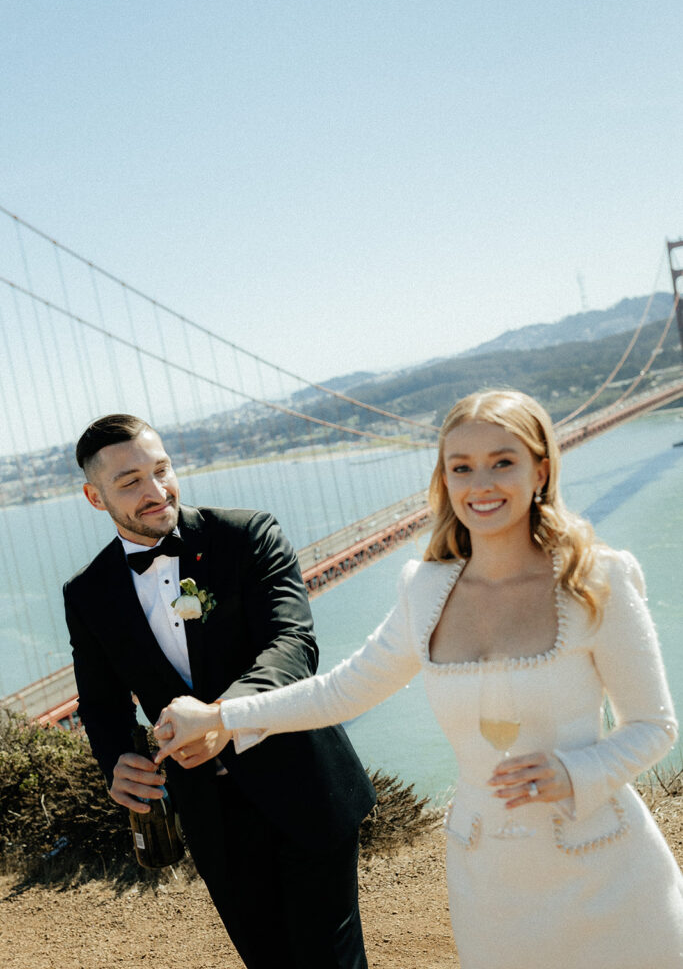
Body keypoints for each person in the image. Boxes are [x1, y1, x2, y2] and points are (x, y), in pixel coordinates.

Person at [155, 389, 683, 969]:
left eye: (502, 462)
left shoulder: (596, 580)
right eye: (462, 467)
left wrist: (575, 770)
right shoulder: (425, 588)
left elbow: (653, 727)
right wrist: (221, 717)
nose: (481, 483)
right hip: (489, 879)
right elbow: (343, 689)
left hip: (605, 868)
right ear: (445, 479)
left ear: (542, 469)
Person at [63, 414, 375, 969]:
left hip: (304, 787)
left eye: (161, 470)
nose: (156, 492)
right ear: (94, 496)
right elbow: (101, 702)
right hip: (212, 818)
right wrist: (116, 760)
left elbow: (293, 645)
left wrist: (219, 717)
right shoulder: (86, 592)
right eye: (130, 481)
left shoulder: (248, 535)